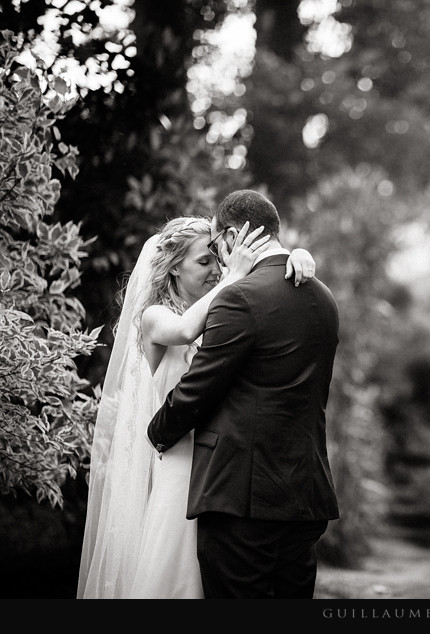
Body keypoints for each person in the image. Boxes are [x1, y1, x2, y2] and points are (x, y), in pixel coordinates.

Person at [77, 215, 317, 599]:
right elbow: (187, 330)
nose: (215, 270)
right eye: (203, 263)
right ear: (173, 268)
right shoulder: (154, 317)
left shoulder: (228, 311)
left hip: (223, 469)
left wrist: (298, 256)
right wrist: (233, 277)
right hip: (181, 465)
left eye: (215, 261)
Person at [147, 190, 340, 599]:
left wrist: (157, 432)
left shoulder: (239, 297)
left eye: (217, 247)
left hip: (241, 498)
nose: (219, 262)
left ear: (234, 237)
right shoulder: (324, 298)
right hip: (304, 495)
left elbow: (198, 388)